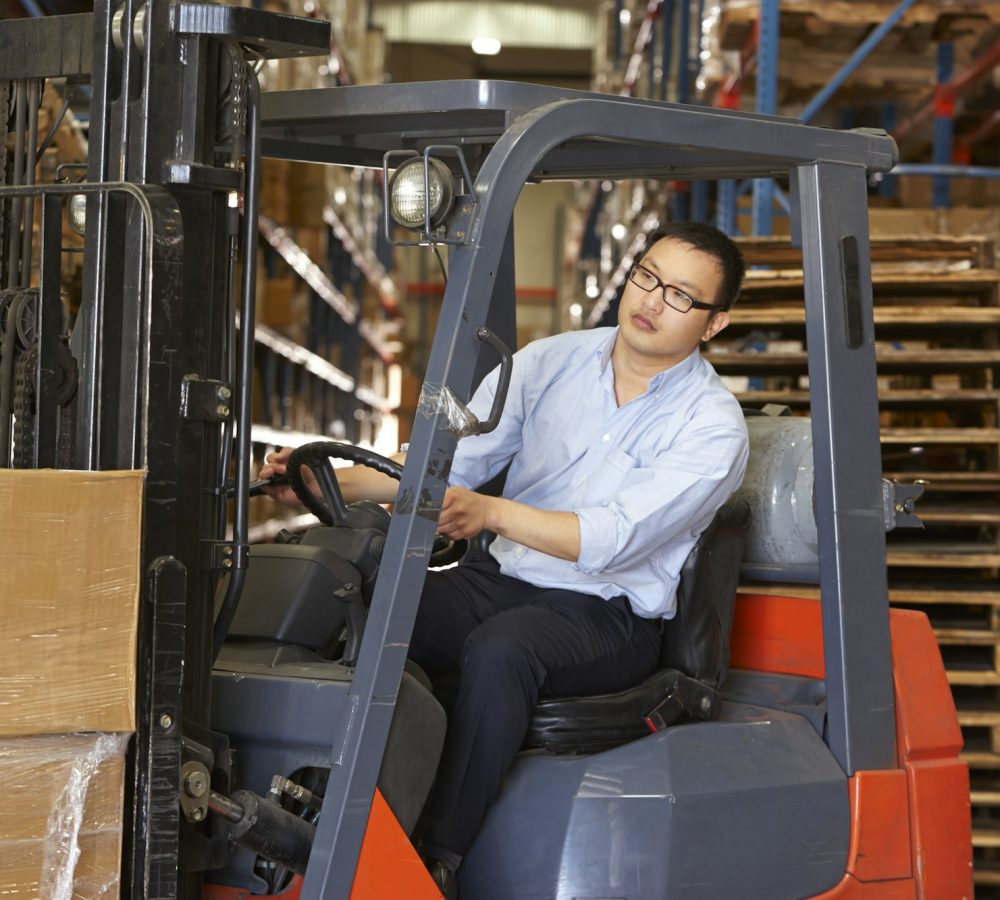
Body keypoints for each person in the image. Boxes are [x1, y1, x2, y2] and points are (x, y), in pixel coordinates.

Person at [260, 221, 749, 897]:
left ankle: (437, 859)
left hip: (606, 614)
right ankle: (316, 812)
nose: (651, 299)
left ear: (715, 322)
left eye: (680, 295)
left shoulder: (712, 424)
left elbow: (612, 538)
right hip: (502, 580)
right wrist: (325, 479)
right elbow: (442, 465)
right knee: (360, 601)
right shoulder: (549, 362)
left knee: (502, 650)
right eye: (646, 276)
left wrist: (490, 513)